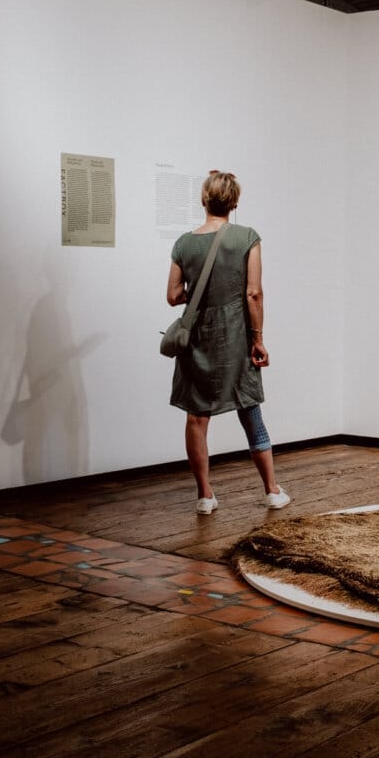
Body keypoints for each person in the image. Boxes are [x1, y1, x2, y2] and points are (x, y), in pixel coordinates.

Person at [166, 171, 290, 514]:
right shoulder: (247, 238)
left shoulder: (183, 244)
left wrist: (199, 292)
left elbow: (173, 295)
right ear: (234, 202)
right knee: (249, 408)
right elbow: (253, 293)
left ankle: (205, 496)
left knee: (196, 418)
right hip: (235, 336)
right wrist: (258, 339)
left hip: (198, 340)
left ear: (204, 199)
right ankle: (271, 490)